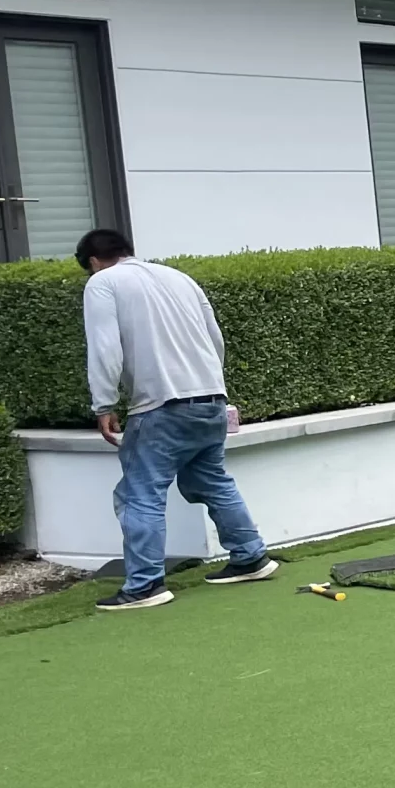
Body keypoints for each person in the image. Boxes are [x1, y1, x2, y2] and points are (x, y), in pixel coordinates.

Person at [77, 229, 278, 609]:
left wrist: (103, 404)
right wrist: (211, 384)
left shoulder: (102, 283)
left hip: (161, 405)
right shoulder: (179, 277)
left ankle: (144, 585)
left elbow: (105, 349)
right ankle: (250, 556)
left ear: (91, 262)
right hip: (210, 398)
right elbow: (213, 338)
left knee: (140, 493)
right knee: (212, 480)